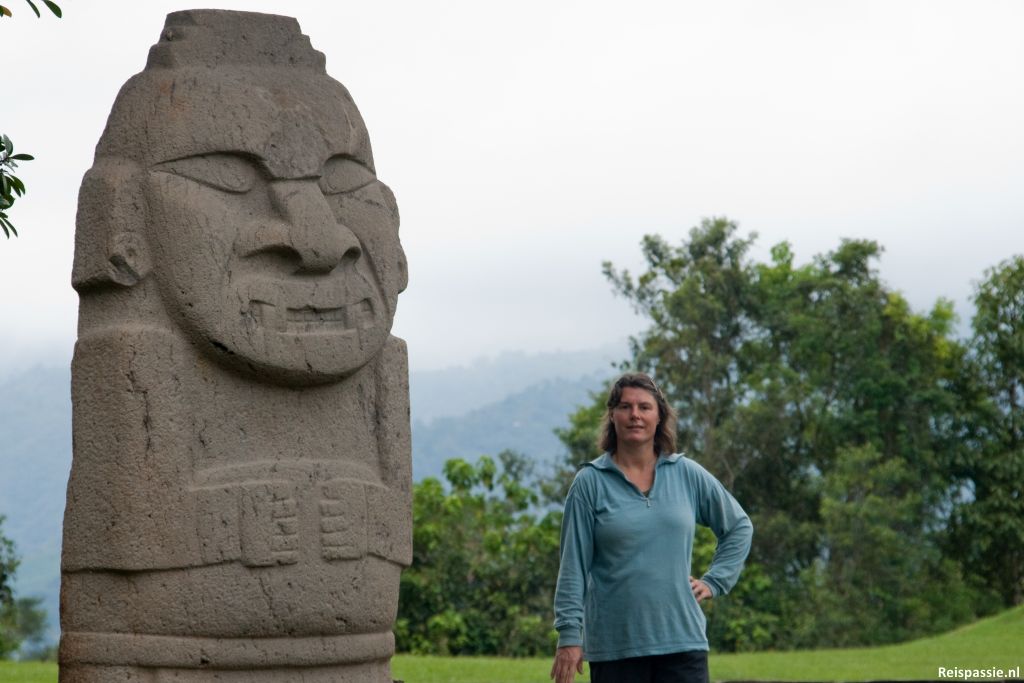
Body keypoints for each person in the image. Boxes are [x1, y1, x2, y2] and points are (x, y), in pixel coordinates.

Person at [550, 372, 753, 683]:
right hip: (615, 648)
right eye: (625, 406)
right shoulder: (589, 483)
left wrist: (715, 581)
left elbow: (738, 527)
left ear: (659, 417)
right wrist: (568, 636)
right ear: (612, 416)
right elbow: (572, 566)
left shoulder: (686, 473)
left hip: (683, 642)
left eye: (644, 407)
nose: (635, 415)